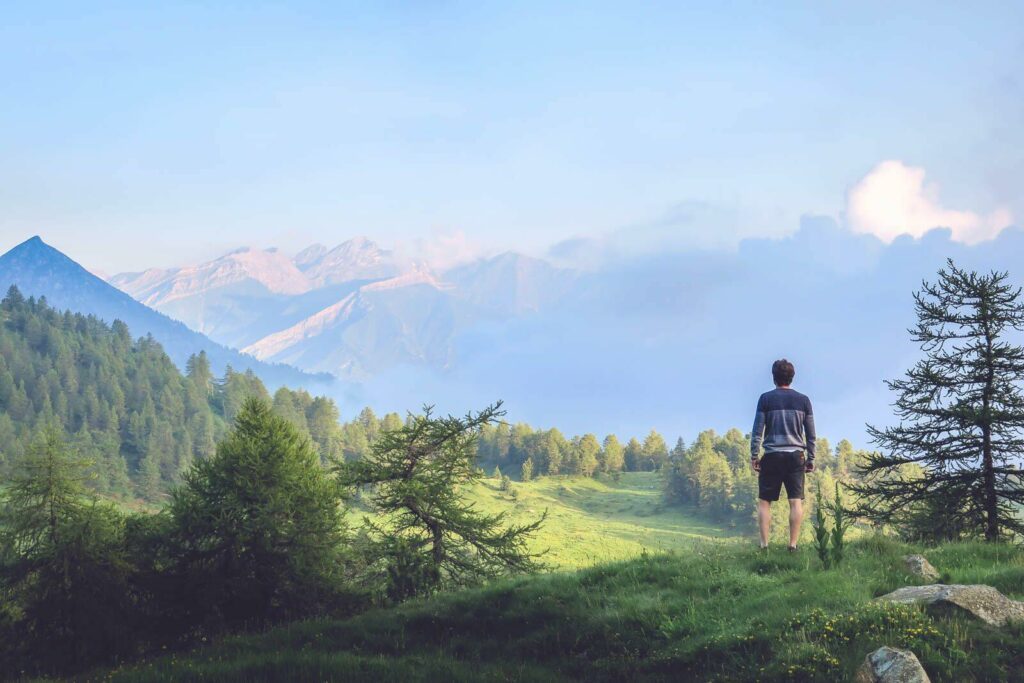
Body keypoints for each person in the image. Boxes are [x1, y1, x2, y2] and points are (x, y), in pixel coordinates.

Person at [749, 359, 816, 551]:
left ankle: (764, 545)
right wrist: (811, 458)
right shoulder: (804, 401)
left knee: (764, 501)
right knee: (795, 501)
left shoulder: (765, 399)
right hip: (796, 456)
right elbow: (811, 433)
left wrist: (754, 455)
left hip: (772, 455)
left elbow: (757, 431)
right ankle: (793, 545)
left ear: (774, 377)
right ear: (792, 377)